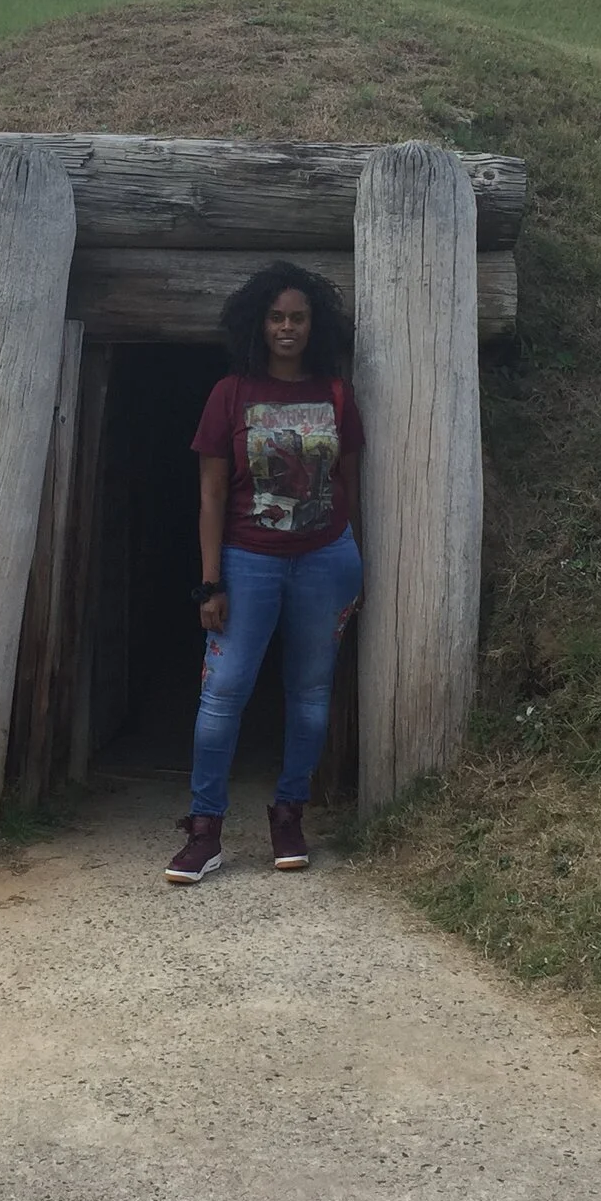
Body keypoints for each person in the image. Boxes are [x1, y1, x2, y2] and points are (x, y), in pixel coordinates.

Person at [168, 261, 365, 884]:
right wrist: (210, 581)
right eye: (277, 317)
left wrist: (350, 561)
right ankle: (205, 829)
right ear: (260, 322)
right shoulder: (231, 394)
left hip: (325, 560)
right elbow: (211, 496)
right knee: (222, 692)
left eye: (298, 318)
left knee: (309, 697)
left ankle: (289, 813)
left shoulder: (336, 394)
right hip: (247, 562)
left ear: (315, 324)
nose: (287, 328)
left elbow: (350, 484)